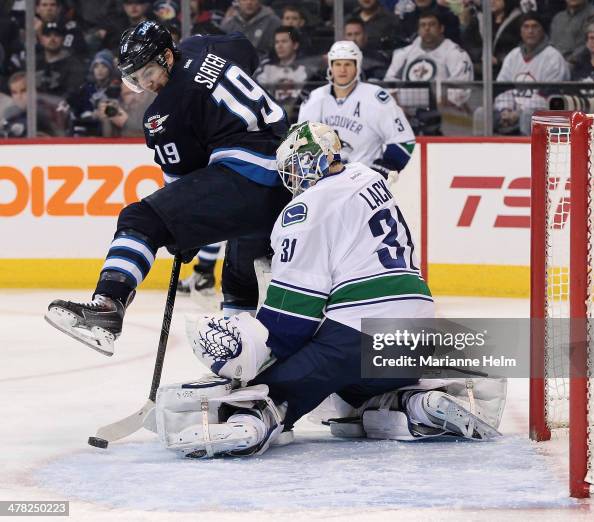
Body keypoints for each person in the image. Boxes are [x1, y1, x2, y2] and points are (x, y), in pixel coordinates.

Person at [157, 121, 504, 459]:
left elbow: (290, 322)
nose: (290, 179)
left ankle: (250, 422)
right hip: (420, 330)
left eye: (291, 168)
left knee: (268, 389)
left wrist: (245, 359)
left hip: (360, 334)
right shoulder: (370, 178)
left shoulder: (305, 208)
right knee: (350, 394)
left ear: (304, 163)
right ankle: (413, 405)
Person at [45, 21, 290, 356]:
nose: (145, 83)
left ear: (166, 57)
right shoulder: (200, 46)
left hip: (249, 178)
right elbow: (244, 47)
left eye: (147, 72)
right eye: (137, 76)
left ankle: (108, 305)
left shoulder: (164, 114)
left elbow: (180, 184)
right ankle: (246, 362)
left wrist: (182, 233)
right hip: (285, 175)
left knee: (141, 218)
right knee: (239, 278)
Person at [298, 41, 416, 182]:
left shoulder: (376, 98)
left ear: (357, 66)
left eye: (347, 64)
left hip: (363, 183)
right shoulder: (314, 99)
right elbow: (302, 143)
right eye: (338, 64)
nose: (342, 70)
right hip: (325, 183)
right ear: (330, 66)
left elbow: (403, 140)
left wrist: (382, 171)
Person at [384, 9, 474, 134]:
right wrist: (398, 107)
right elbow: (389, 82)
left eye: (431, 25)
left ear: (441, 28)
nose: (427, 29)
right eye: (423, 25)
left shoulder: (455, 54)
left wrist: (435, 108)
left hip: (443, 115)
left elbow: (461, 89)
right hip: (406, 113)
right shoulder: (404, 53)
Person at [494, 12, 569, 135]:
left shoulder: (553, 57)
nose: (530, 31)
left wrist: (518, 113)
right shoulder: (513, 55)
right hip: (511, 113)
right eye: (526, 27)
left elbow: (548, 95)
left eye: (535, 26)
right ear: (521, 31)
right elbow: (502, 89)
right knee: (482, 113)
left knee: (528, 115)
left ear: (542, 30)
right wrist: (505, 110)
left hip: (544, 116)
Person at [550, 0, 594, 65]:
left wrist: (569, 61)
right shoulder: (558, 17)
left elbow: (591, 43)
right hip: (554, 63)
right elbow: (551, 43)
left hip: (579, 64)